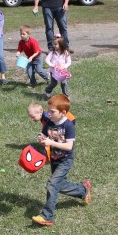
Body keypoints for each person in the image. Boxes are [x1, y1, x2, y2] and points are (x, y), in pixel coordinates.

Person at [31, 95, 91, 226]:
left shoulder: (68, 126)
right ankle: (83, 190)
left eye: (52, 112)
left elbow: (69, 146)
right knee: (60, 185)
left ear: (63, 113)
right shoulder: (49, 123)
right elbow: (44, 135)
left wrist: (51, 142)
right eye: (48, 110)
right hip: (54, 159)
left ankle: (47, 216)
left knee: (52, 184)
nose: (48, 113)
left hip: (65, 160)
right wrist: (41, 138)